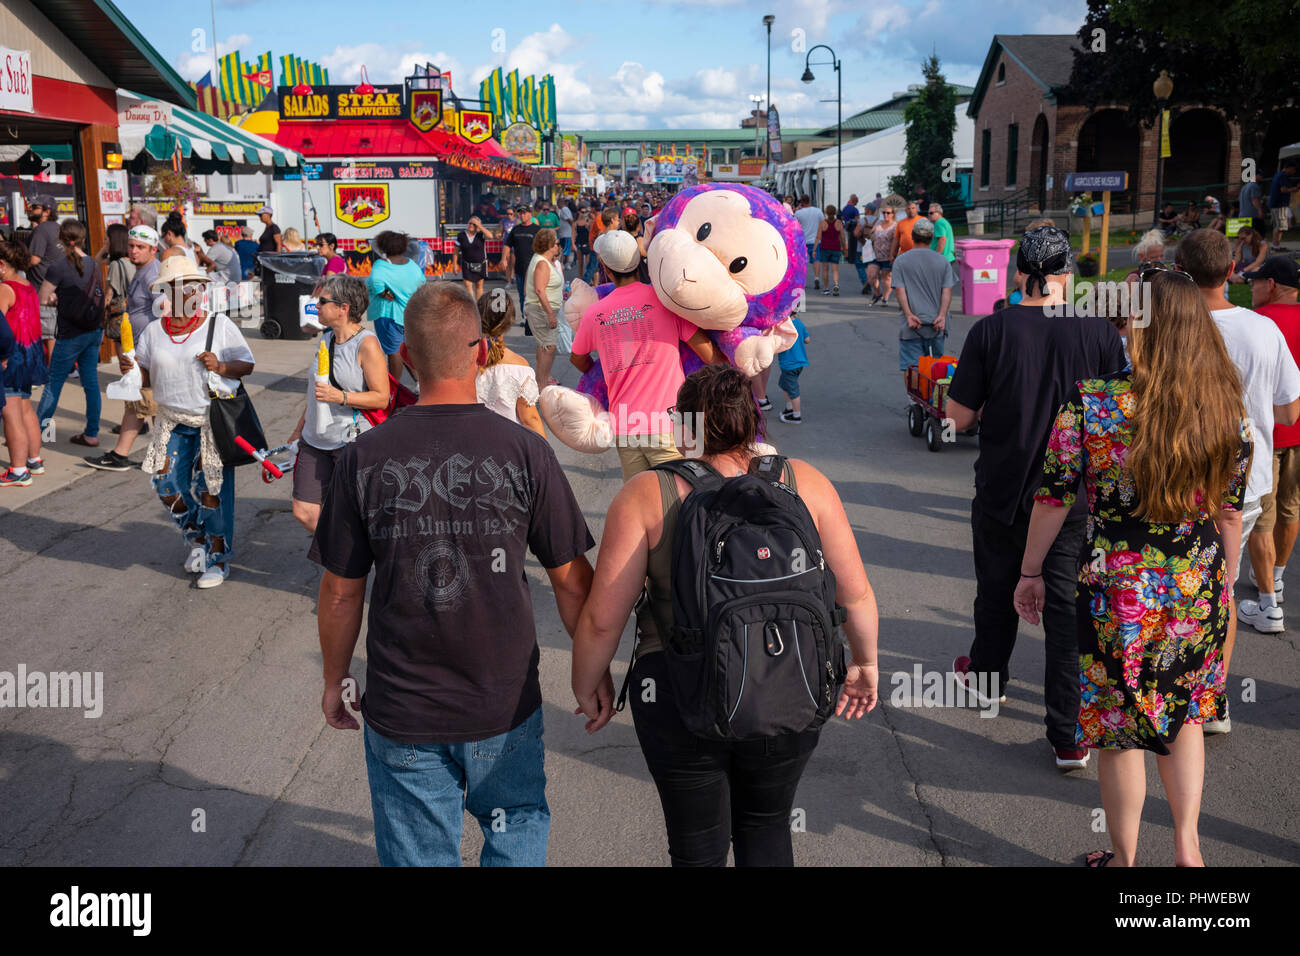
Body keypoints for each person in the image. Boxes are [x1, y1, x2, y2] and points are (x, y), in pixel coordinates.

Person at [310, 281, 596, 867]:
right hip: (505, 702)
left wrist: (336, 679)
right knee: (515, 832)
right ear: (480, 352)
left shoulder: (364, 456)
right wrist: (591, 675)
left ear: (407, 360)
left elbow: (341, 593)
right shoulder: (526, 452)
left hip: (404, 708)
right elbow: (570, 579)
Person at [570, 363, 880, 866]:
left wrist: (589, 683)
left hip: (679, 690)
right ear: (752, 422)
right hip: (789, 683)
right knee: (767, 826)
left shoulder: (650, 493)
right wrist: (864, 665)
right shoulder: (806, 482)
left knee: (697, 845)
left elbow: (604, 618)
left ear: (684, 426)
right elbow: (858, 596)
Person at [1016, 271, 1250, 867]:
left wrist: (1031, 571)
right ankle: (1189, 850)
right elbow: (1229, 513)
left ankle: (1125, 864)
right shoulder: (1227, 406)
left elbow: (1053, 495)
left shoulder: (1093, 401)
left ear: (1135, 327)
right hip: (1197, 580)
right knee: (1187, 713)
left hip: (1118, 585)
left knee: (1120, 728)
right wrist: (1224, 583)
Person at [945, 225, 1129, 770]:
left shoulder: (990, 331)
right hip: (1074, 501)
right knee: (1068, 616)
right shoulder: (1099, 334)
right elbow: (1121, 417)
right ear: (1067, 274)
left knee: (996, 592)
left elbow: (956, 418)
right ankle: (1069, 734)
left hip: (1003, 489)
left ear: (1020, 273)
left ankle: (986, 681)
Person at [1176, 230, 1300, 715]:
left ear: (1180, 273)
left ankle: (1167, 684)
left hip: (1173, 482)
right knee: (1220, 591)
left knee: (1173, 586)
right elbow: (1290, 413)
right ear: (1231, 271)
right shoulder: (1263, 329)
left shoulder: (1161, 327)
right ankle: (1211, 700)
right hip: (1244, 487)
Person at [125, 255, 255, 589]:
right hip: (171, 421)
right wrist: (131, 373)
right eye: (182, 287)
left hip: (210, 421)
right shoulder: (154, 331)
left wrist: (221, 366)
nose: (191, 292)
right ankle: (197, 538)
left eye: (195, 286)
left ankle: (217, 557)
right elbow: (145, 373)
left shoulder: (218, 325)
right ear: (168, 291)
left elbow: (246, 364)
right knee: (166, 485)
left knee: (211, 490)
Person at [571, 230, 722, 480]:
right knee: (686, 498)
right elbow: (709, 354)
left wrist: (596, 367)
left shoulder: (595, 313)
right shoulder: (664, 300)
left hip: (626, 426)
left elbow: (577, 358)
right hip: (673, 423)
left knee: (643, 505)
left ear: (606, 269)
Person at [286, 275, 388, 534]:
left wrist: (340, 397)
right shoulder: (326, 339)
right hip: (314, 439)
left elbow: (381, 397)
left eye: (322, 301)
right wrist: (299, 430)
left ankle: (348, 563)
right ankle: (338, 554)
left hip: (350, 442)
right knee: (303, 510)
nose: (316, 306)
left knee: (354, 514)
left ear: (343, 308)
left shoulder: (367, 344)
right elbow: (315, 392)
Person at [1243, 256, 1300, 632]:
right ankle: (1277, 576)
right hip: (1299, 433)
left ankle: (1268, 605)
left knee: (1262, 517)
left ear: (1273, 284)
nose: (1251, 287)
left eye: (1256, 281)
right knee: (1291, 508)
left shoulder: (1262, 324)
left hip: (1268, 433)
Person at [86, 225, 162, 471]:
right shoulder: (141, 270)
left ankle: (167, 457)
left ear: (153, 249)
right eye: (131, 246)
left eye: (140, 247)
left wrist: (147, 353)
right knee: (138, 403)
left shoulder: (153, 275)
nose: (134, 251)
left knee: (150, 404)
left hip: (148, 352)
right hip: (139, 349)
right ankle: (122, 455)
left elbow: (165, 311)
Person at [35, 219, 106, 448]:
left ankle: (39, 432)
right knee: (91, 383)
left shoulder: (57, 266)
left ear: (61, 239)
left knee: (54, 382)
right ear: (83, 238)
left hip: (70, 333)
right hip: (93, 330)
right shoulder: (94, 265)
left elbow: (43, 298)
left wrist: (57, 300)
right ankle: (92, 433)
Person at [0, 240, 47, 486]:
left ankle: (18, 471)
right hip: (30, 355)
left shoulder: (4, 289)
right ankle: (34, 460)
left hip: (11, 358)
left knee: (11, 415)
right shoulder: (27, 285)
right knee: (26, 409)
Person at [475, 292, 546, 438]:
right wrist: (545, 456)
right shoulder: (520, 367)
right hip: (510, 449)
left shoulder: (464, 362)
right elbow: (529, 419)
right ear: (509, 322)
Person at [891, 218, 955, 375]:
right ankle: (933, 399)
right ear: (932, 237)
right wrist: (941, 316)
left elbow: (900, 290)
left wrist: (909, 315)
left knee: (912, 368)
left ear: (912, 236)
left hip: (912, 325)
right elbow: (947, 291)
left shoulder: (901, 261)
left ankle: (914, 400)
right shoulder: (943, 262)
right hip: (936, 324)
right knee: (936, 369)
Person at [366, 230, 426, 380]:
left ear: (383, 246)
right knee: (407, 350)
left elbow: (375, 281)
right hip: (409, 314)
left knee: (394, 352)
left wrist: (383, 293)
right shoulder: (411, 264)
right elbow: (422, 283)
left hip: (389, 315)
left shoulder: (381, 264)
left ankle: (393, 389)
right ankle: (420, 384)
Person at [524, 227, 564, 392]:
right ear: (549, 245)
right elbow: (540, 290)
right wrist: (550, 315)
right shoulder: (542, 263)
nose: (558, 245)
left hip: (543, 309)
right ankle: (541, 385)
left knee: (544, 347)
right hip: (541, 310)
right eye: (556, 242)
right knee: (549, 347)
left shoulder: (542, 260)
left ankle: (542, 381)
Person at [25, 196, 62, 357]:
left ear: (47, 211)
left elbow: (34, 259)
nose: (30, 209)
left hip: (42, 289)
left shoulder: (41, 230)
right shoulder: (58, 228)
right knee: (55, 332)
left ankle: (51, 373)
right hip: (58, 289)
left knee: (47, 335)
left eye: (35, 207)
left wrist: (14, 265)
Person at [502, 205, 541, 312]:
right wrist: (504, 259)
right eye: (520, 213)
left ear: (530, 214)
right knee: (522, 294)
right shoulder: (515, 229)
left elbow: (543, 247)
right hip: (519, 267)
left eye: (524, 213)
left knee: (534, 293)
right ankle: (524, 316)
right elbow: (507, 245)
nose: (522, 215)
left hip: (534, 268)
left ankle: (534, 315)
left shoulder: (537, 229)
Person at [777, 315, 810, 424]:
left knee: (793, 389)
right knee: (783, 384)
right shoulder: (799, 323)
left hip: (789, 364)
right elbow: (807, 339)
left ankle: (796, 416)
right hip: (799, 362)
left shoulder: (782, 326)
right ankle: (789, 408)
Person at [864, 205, 899, 306]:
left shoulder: (895, 226)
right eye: (884, 212)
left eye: (888, 213)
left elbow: (896, 241)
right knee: (871, 276)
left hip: (888, 256)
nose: (885, 215)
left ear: (893, 214)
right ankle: (877, 293)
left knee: (886, 278)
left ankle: (885, 298)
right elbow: (870, 236)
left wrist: (894, 255)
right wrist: (870, 232)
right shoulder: (878, 223)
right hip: (875, 255)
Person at [452, 217, 488, 300]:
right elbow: (456, 252)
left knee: (479, 286)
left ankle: (479, 306)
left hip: (480, 264)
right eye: (470, 223)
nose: (471, 225)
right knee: (467, 285)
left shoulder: (480, 235)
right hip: (467, 264)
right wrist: (454, 265)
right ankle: (472, 306)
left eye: (474, 224)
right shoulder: (461, 235)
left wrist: (479, 225)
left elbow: (490, 236)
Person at [815, 205, 846, 296]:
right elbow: (843, 237)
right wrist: (845, 248)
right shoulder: (839, 223)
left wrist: (814, 250)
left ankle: (826, 288)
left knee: (825, 268)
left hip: (825, 247)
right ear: (835, 212)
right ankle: (836, 285)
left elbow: (818, 237)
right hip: (836, 247)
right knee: (835, 269)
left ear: (826, 213)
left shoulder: (822, 223)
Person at [794, 196, 824, 287]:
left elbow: (795, 226)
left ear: (801, 202)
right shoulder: (818, 211)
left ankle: (803, 280)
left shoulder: (798, 213)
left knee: (802, 261)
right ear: (810, 201)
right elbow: (823, 224)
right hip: (815, 240)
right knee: (816, 259)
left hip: (802, 241)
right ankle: (816, 277)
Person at [1268, 159, 1298, 250]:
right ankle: (1275, 246)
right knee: (1279, 226)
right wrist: (1295, 189)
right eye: (1293, 169)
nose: (1294, 172)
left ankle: (1276, 245)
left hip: (1277, 204)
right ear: (1289, 168)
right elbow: (1283, 190)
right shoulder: (1283, 176)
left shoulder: (1279, 175)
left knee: (1279, 226)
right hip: (1279, 204)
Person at [927, 203, 956, 279]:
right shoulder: (944, 222)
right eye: (928, 213)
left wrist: (937, 255)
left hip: (942, 258)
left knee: (938, 284)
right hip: (948, 257)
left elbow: (942, 239)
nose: (929, 215)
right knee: (945, 283)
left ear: (939, 213)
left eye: (931, 213)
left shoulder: (938, 223)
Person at [574, 204, 591, 280]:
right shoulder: (575, 223)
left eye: (585, 212)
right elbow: (573, 234)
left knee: (588, 263)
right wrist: (572, 244)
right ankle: (581, 278)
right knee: (580, 263)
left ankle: (589, 278)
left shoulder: (589, 221)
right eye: (582, 212)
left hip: (587, 243)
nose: (584, 214)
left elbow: (592, 233)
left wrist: (588, 227)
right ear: (579, 212)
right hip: (579, 243)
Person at [556, 200, 575, 267]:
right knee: (565, 248)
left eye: (557, 204)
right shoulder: (563, 210)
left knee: (565, 249)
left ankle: (563, 263)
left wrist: (573, 227)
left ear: (560, 203)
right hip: (564, 233)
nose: (557, 206)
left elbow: (569, 219)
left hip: (566, 233)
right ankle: (565, 263)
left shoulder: (564, 209)